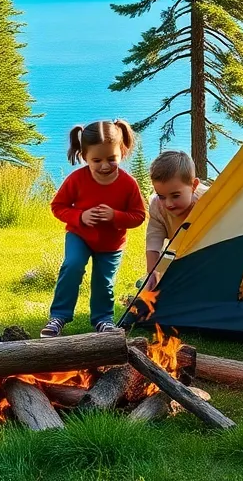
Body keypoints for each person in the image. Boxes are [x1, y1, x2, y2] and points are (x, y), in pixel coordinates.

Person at [41, 120, 147, 337]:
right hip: (79, 235)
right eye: (96, 160)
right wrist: (80, 216)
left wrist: (115, 216)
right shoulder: (77, 179)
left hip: (111, 243)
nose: (105, 165)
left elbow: (138, 216)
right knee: (72, 265)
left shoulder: (128, 184)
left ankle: (102, 319)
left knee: (104, 281)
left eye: (112, 159)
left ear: (122, 152)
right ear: (84, 156)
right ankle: (58, 316)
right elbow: (58, 207)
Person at [143, 150, 209, 291]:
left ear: (194, 185)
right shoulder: (157, 207)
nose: (168, 203)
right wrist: (152, 274)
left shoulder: (208, 201)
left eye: (175, 195)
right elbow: (153, 241)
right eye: (161, 196)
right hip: (182, 257)